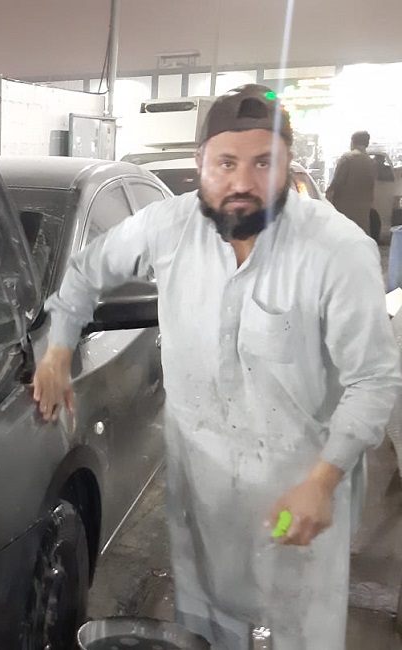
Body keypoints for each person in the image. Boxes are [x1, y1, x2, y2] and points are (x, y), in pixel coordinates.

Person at [32, 85, 402, 649]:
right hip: (203, 498)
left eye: (264, 163)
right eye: (226, 163)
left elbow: (374, 380)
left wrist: (323, 480)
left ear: (287, 164)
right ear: (201, 161)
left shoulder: (336, 251)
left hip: (295, 499)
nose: (243, 182)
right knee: (204, 626)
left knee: (297, 632)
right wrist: (59, 349)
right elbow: (85, 272)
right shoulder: (167, 227)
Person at [326, 130, 378, 237]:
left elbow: (337, 182)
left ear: (353, 142)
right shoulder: (371, 162)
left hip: (345, 209)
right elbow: (372, 186)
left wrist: (329, 193)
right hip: (363, 211)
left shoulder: (347, 158)